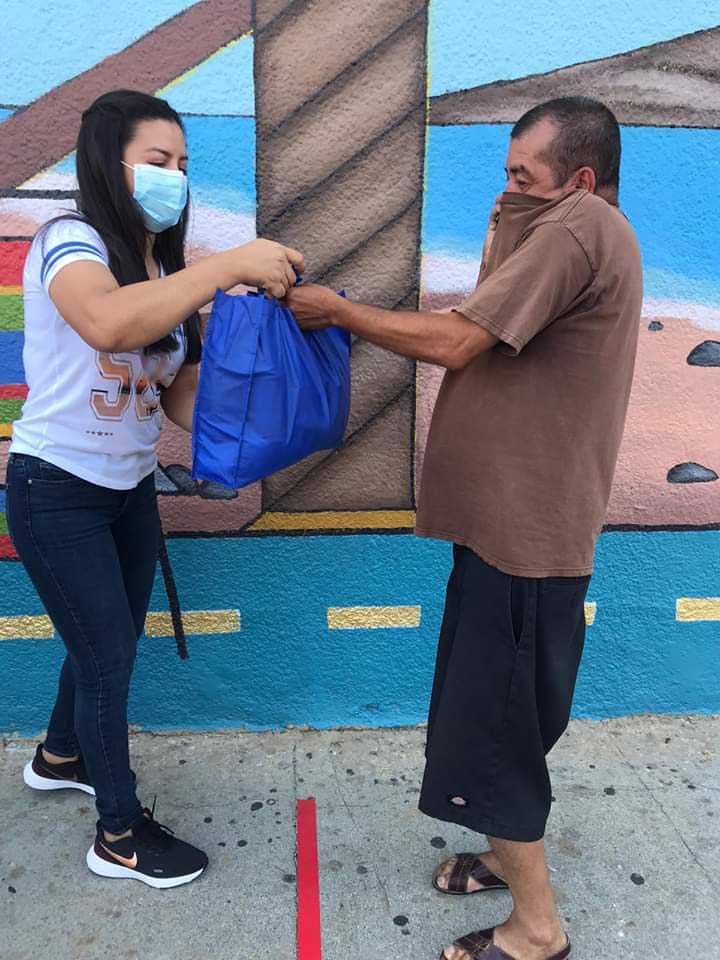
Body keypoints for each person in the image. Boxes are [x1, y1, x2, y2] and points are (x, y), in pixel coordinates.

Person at [285, 97, 642, 960]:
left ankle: (537, 929)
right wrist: (511, 219)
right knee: (504, 714)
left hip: (524, 542)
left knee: (495, 732)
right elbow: (497, 310)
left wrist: (337, 310)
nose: (508, 188)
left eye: (524, 176)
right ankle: (498, 853)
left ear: (582, 179)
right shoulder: (569, 231)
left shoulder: (580, 227)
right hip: (509, 535)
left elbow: (455, 340)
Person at [6, 89, 303, 889]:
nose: (174, 177)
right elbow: (106, 326)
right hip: (55, 489)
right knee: (107, 657)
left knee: (105, 640)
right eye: (158, 161)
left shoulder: (164, 268)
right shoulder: (68, 244)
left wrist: (271, 368)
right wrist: (228, 264)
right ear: (113, 163)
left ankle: (61, 754)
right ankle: (119, 836)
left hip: (127, 489)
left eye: (182, 164)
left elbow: (177, 394)